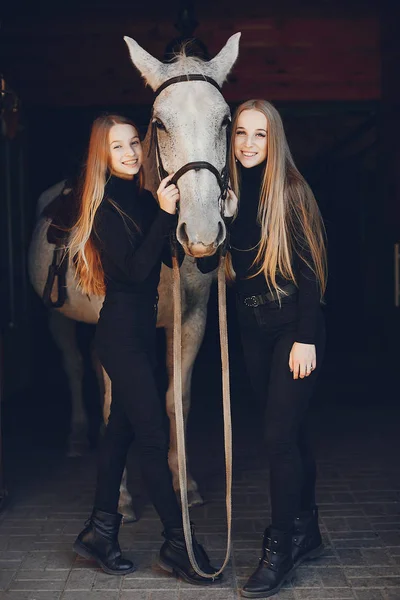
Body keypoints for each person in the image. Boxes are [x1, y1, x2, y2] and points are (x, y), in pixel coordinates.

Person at [68, 114, 220, 584]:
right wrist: (163, 212)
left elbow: (170, 255)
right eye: (119, 147)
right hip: (118, 338)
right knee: (154, 439)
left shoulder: (140, 198)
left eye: (135, 142)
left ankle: (99, 532)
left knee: (119, 434)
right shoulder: (100, 210)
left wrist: (202, 224)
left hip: (140, 337)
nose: (132, 153)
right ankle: (178, 545)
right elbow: (134, 272)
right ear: (103, 156)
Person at [226, 100, 327, 598]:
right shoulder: (225, 194)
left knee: (277, 438)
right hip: (253, 332)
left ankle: (281, 546)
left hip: (293, 327)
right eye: (241, 133)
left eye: (259, 134)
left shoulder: (290, 190)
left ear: (275, 139)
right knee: (290, 430)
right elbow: (211, 267)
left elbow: (310, 273)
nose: (247, 143)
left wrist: (306, 336)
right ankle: (309, 529)